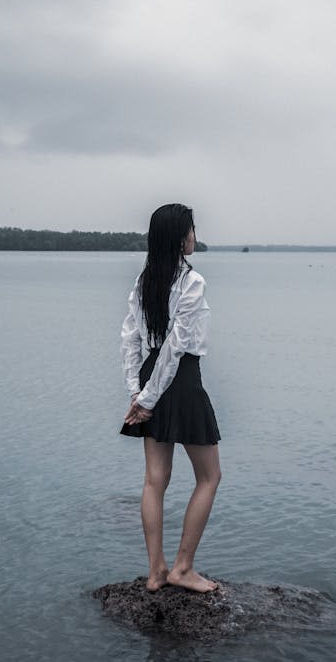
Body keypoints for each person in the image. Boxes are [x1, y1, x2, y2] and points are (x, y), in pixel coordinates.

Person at [119, 203, 221, 594]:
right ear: (181, 237)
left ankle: (155, 571)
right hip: (179, 381)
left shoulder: (144, 280)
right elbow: (175, 349)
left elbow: (130, 339)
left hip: (151, 378)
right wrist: (145, 398)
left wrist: (138, 390)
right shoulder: (191, 282)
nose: (195, 236)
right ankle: (182, 568)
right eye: (192, 230)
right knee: (210, 477)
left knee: (154, 480)